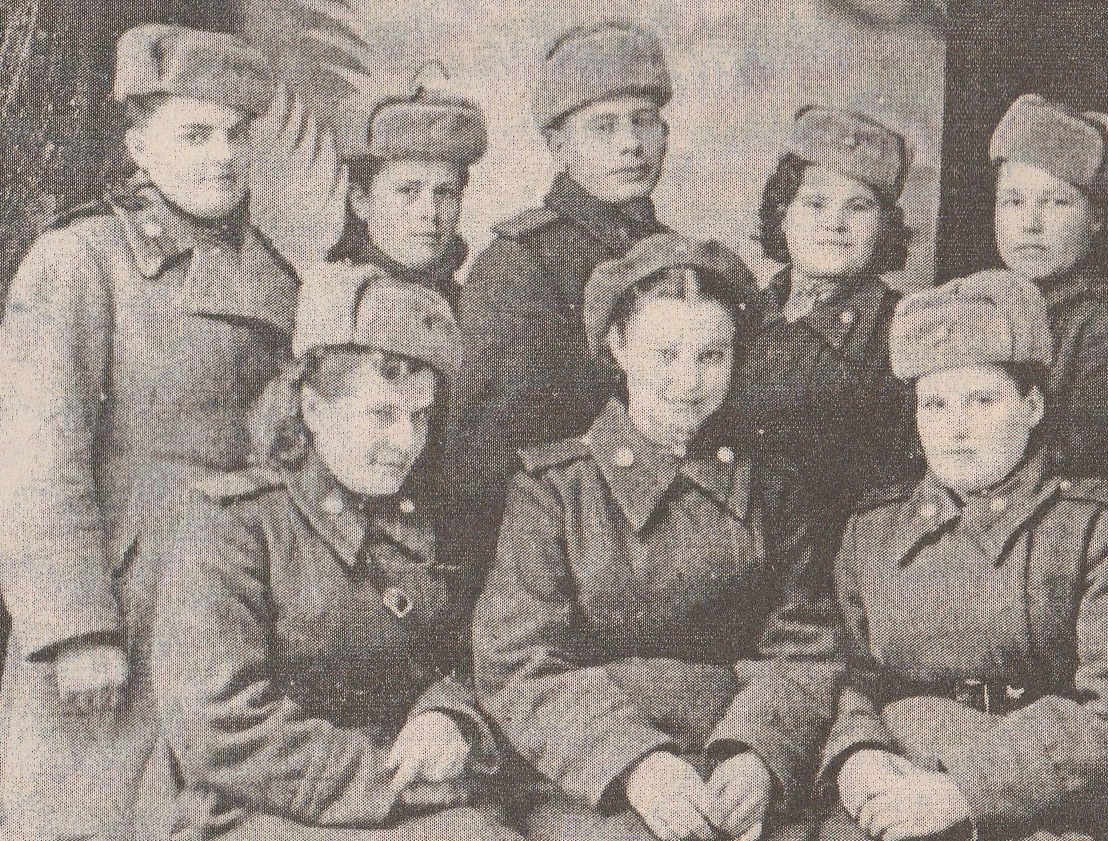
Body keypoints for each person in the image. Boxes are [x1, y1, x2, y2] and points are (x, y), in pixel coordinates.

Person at [0, 24, 293, 841]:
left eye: (236, 134)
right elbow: (32, 460)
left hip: (232, 606)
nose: (222, 156)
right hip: (121, 608)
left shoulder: (275, 277)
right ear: (139, 147)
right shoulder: (80, 260)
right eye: (194, 134)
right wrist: (76, 627)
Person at [471, 233, 843, 841]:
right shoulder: (554, 492)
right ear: (619, 347)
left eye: (711, 356)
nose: (688, 382)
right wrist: (636, 764)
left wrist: (757, 753)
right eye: (665, 354)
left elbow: (805, 648)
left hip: (735, 775)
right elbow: (516, 668)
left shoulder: (772, 489)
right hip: (591, 785)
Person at [140, 265, 520, 841]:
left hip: (399, 806)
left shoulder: (417, 523)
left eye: (419, 418)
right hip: (257, 813)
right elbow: (220, 729)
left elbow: (466, 658)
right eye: (382, 414)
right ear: (314, 409)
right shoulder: (232, 527)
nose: (405, 443)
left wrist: (449, 720)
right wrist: (390, 780)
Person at [818, 271, 1108, 841]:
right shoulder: (872, 533)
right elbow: (844, 682)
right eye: (934, 404)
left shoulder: (1101, 529)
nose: (955, 429)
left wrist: (963, 791)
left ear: (1032, 406)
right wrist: (859, 756)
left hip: (1047, 807)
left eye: (981, 400)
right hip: (895, 790)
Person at [448, 19, 685, 571]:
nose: (631, 144)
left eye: (644, 121)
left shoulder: (680, 260)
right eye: (604, 126)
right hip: (556, 551)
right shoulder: (520, 264)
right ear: (559, 147)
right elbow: (489, 452)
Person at [723, 106, 918, 553]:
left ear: (885, 227)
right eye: (815, 203)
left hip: (841, 565)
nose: (834, 223)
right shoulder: (735, 317)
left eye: (858, 207)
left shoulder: (905, 331)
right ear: (782, 212)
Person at [988, 93, 1108, 485]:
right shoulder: (977, 308)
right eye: (1013, 202)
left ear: (1096, 218)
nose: (1030, 223)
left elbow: (1091, 464)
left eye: (1056, 203)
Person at [330, 70, 487, 308]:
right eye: (408, 191)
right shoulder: (334, 302)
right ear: (360, 201)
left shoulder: (472, 307)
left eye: (445, 192)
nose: (430, 212)